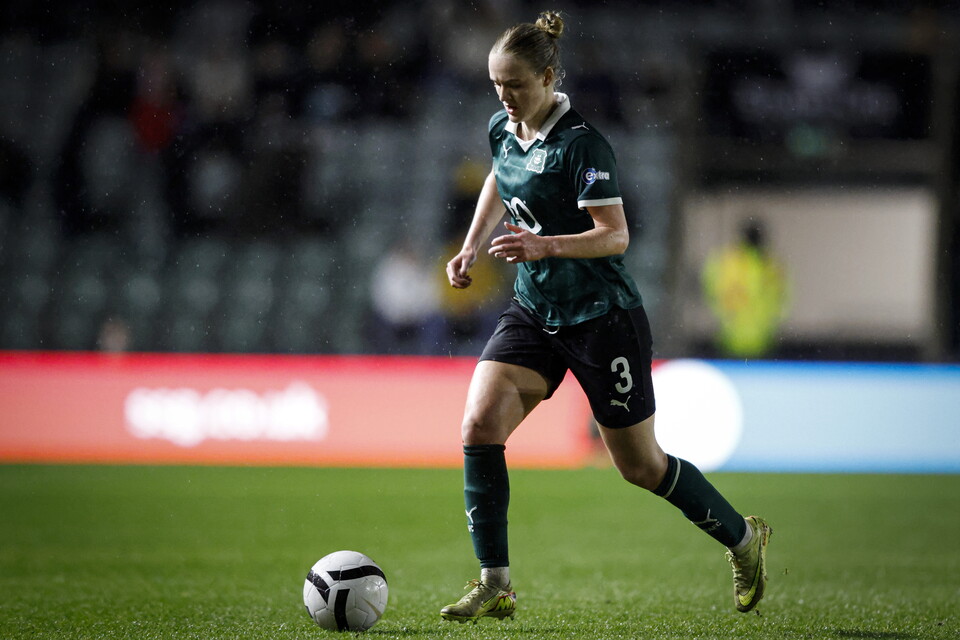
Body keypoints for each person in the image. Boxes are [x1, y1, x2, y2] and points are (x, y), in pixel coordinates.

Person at [441, 11, 772, 623]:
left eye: (515, 85)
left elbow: (614, 235)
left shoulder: (582, 144)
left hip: (602, 318)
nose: (504, 98)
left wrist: (543, 244)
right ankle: (496, 582)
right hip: (535, 309)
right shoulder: (503, 127)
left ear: (547, 76)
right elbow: (497, 175)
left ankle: (744, 540)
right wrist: (470, 244)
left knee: (640, 467)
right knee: (478, 425)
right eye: (495, 86)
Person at [702, 218, 789, 358]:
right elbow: (782, 298)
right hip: (746, 339)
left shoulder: (728, 260)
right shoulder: (771, 264)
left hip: (744, 338)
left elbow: (711, 290)